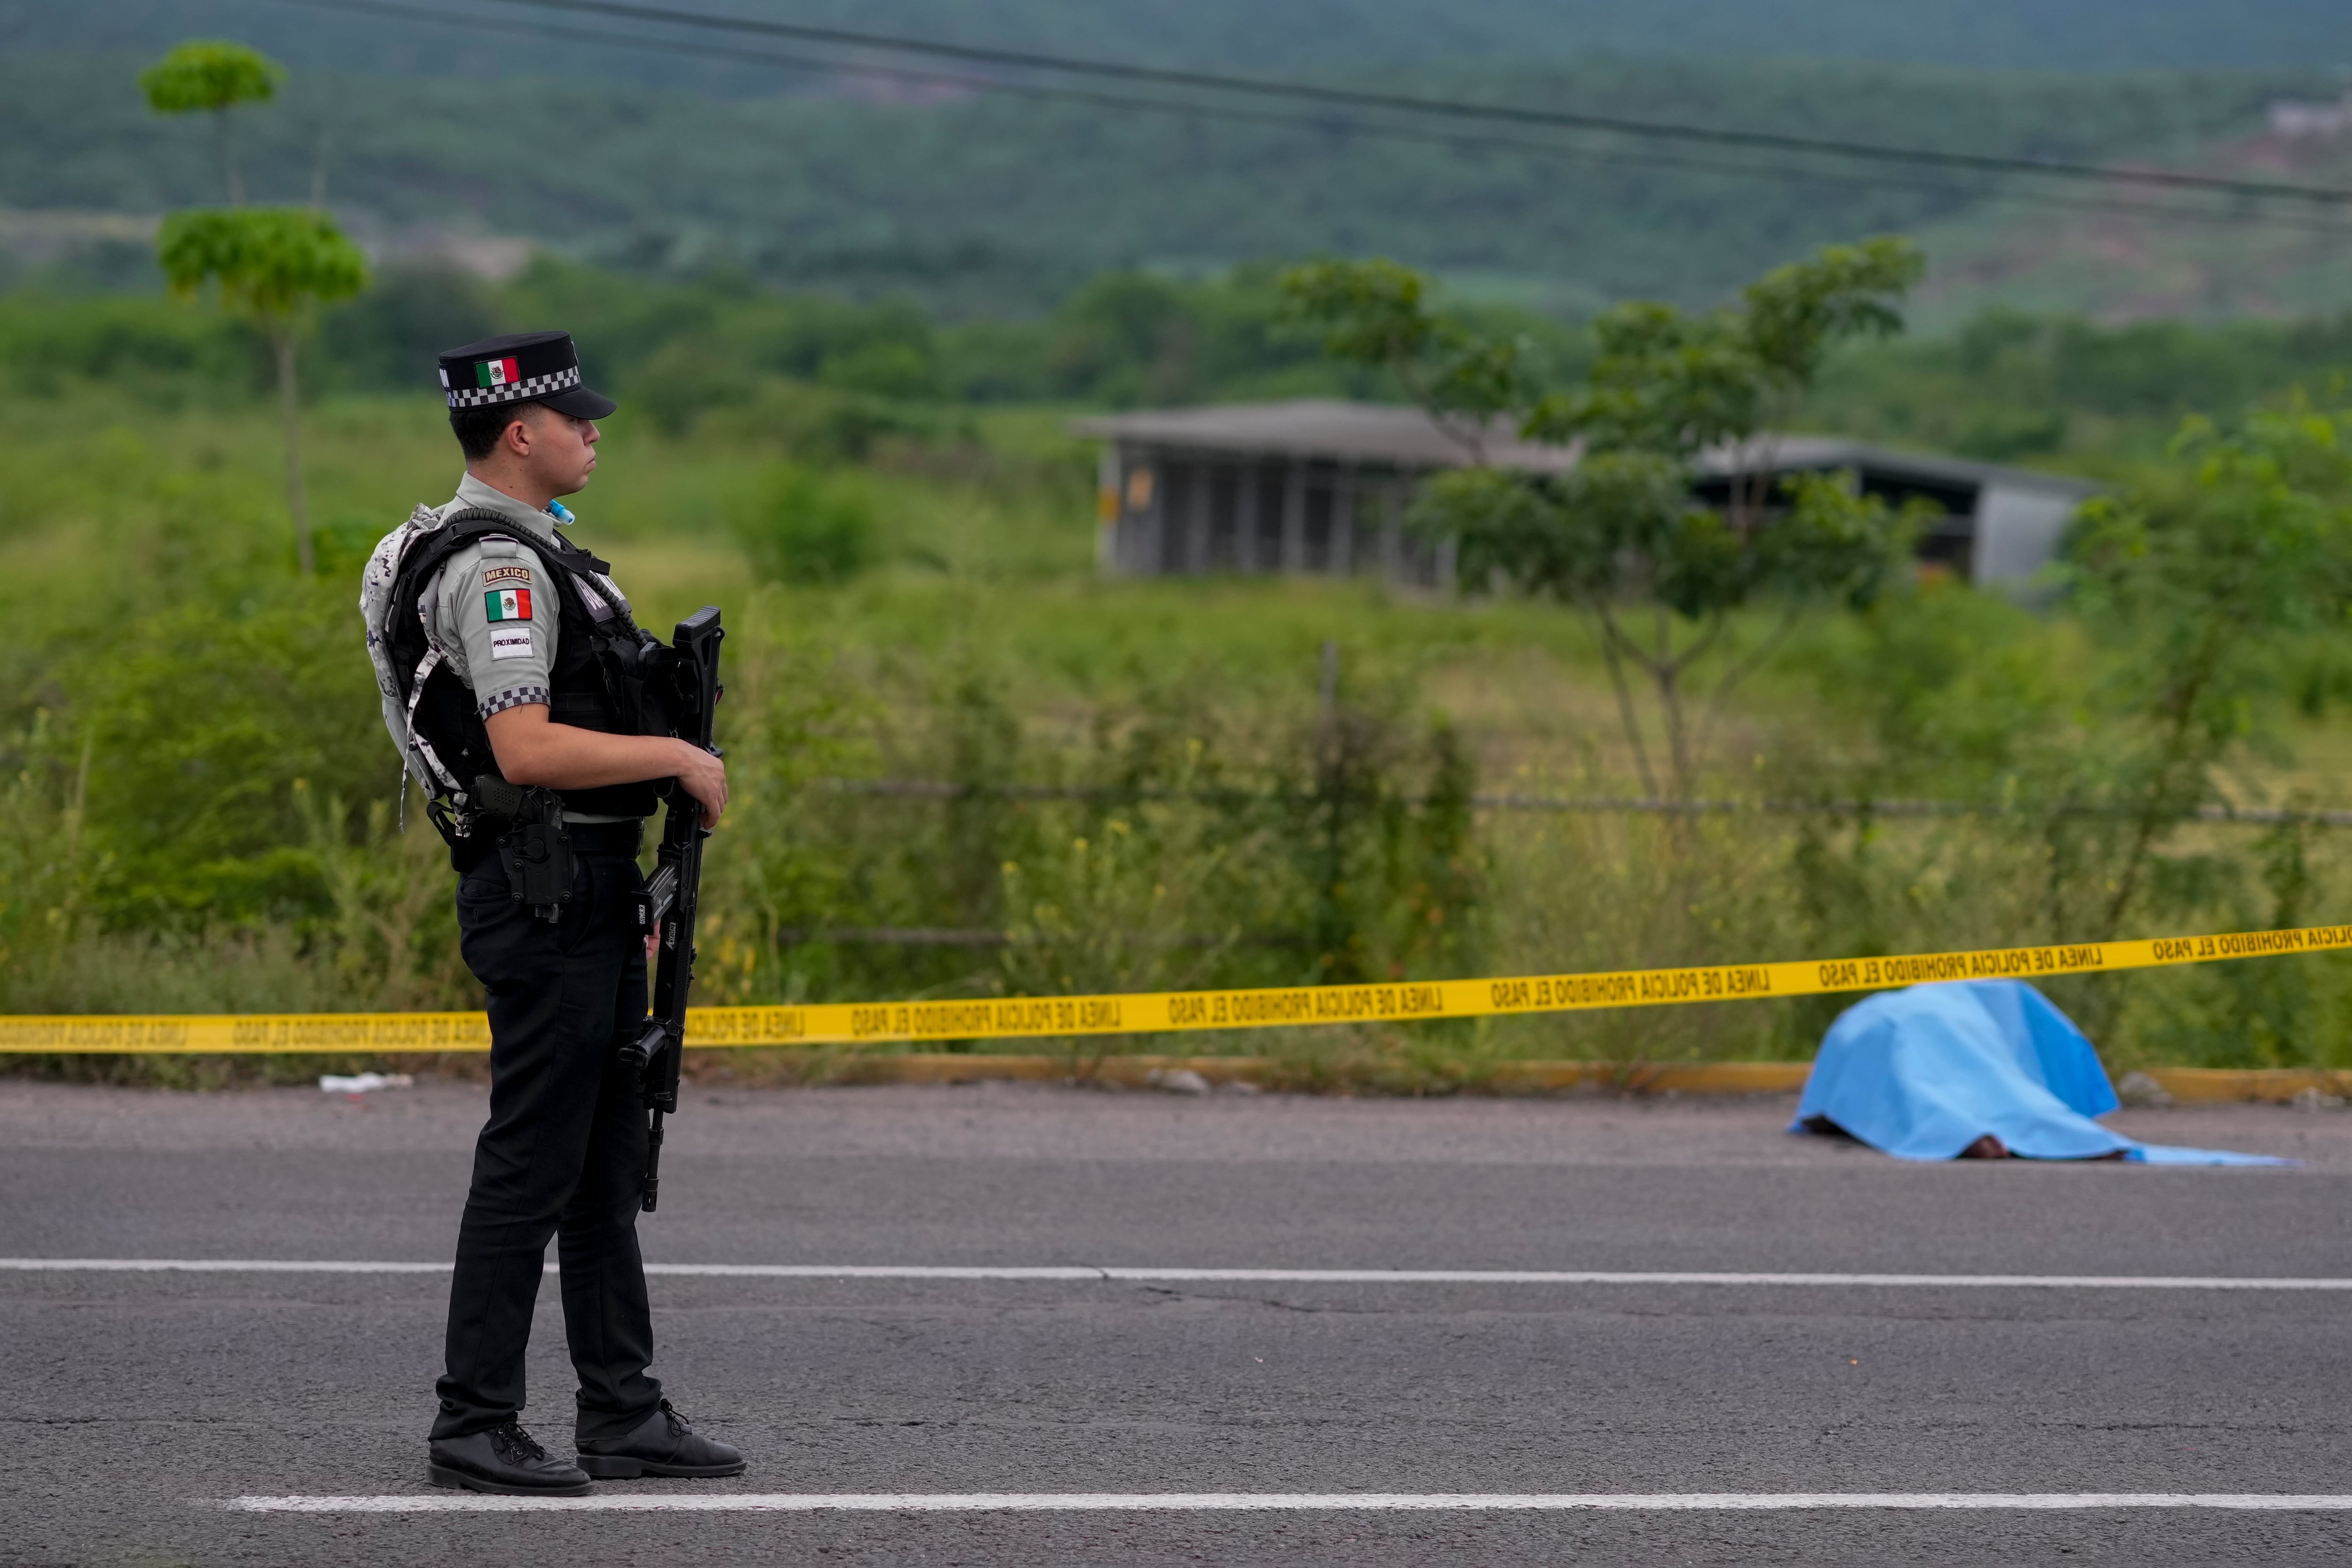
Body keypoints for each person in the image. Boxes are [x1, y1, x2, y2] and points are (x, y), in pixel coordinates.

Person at [397, 331, 742, 1496]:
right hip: (541, 893)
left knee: (604, 1159)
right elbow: (524, 744)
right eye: (575, 419)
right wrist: (679, 758)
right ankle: (474, 1420)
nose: (594, 431)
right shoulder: (498, 566)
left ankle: (623, 1410)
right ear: (517, 432)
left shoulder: (539, 554)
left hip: (587, 887)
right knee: (533, 1158)